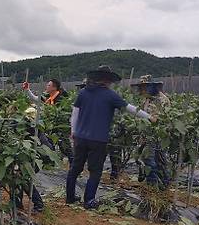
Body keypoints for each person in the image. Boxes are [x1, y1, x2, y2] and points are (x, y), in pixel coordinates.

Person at [66, 66, 156, 209]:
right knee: (95, 171)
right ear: (107, 80)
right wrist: (149, 117)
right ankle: (88, 201)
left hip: (80, 138)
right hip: (98, 139)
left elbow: (75, 113)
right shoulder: (110, 95)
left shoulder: (83, 92)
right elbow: (130, 108)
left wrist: (73, 131)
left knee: (75, 168)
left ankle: (70, 198)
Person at [132, 75, 171, 187]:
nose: (143, 90)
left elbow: (156, 119)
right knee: (155, 159)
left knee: (151, 160)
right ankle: (162, 184)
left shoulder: (161, 99)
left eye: (145, 87)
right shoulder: (148, 99)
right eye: (142, 87)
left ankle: (153, 186)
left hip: (156, 135)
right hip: (147, 134)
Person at [22, 78, 73, 164]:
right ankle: (53, 161)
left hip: (60, 126)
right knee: (50, 143)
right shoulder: (48, 97)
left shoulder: (60, 98)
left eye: (49, 85)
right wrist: (27, 89)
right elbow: (35, 99)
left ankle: (74, 164)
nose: (46, 86)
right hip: (51, 125)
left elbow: (66, 113)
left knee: (64, 146)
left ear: (54, 87)